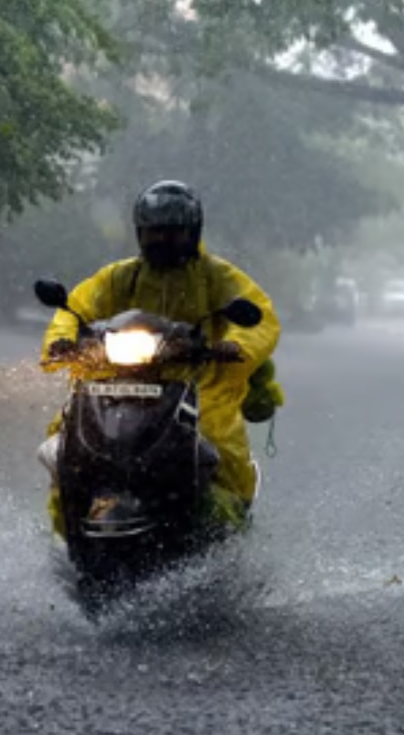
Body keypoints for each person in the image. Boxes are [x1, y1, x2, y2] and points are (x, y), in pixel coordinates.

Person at [39, 179, 284, 534]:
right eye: (154, 232)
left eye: (174, 232)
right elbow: (76, 306)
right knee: (68, 440)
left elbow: (259, 316)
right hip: (117, 380)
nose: (163, 240)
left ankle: (226, 522)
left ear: (193, 232)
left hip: (197, 383)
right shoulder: (120, 277)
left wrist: (234, 346)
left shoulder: (218, 277)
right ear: (140, 233)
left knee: (218, 443)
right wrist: (63, 341)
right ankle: (69, 527)